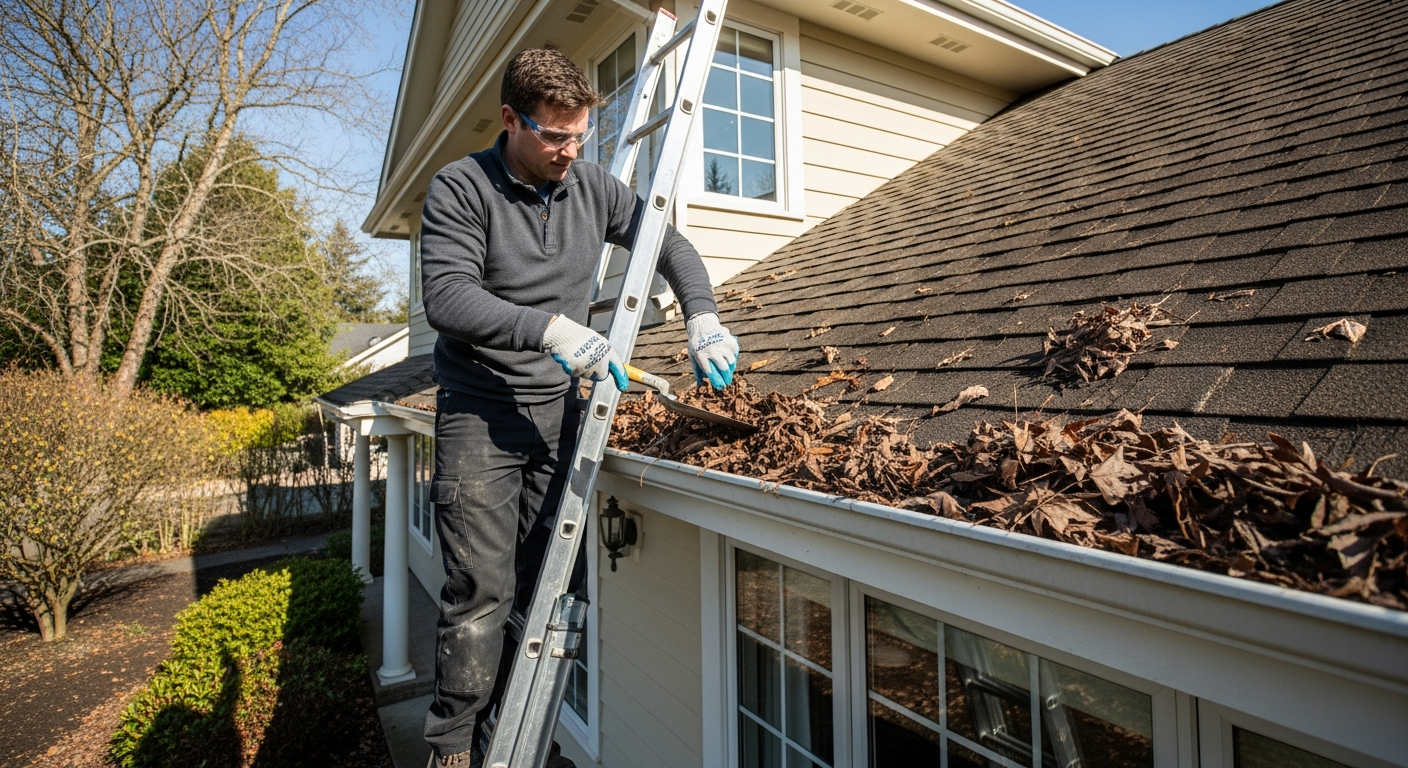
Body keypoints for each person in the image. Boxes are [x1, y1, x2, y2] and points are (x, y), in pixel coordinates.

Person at [418, 48, 739, 767]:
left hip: (557, 410)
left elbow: (669, 245)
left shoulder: (592, 187)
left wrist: (702, 315)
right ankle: (454, 748)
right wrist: (551, 330)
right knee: (481, 593)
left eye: (582, 136)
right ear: (511, 119)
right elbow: (448, 297)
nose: (571, 151)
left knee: (551, 585)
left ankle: (516, 738)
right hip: (480, 413)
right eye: (555, 136)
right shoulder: (461, 187)